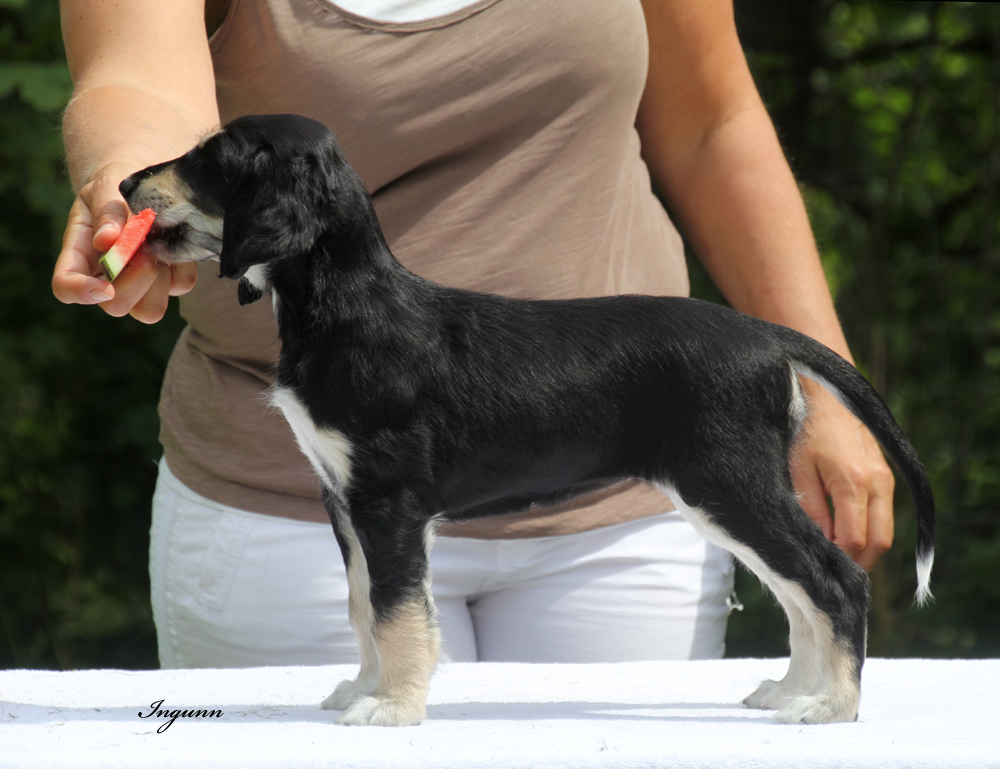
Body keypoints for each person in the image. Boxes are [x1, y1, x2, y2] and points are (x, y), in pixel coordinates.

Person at [53, 0, 894, 669]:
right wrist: (123, 186)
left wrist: (821, 385)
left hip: (623, 508)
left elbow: (713, 119)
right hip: (282, 518)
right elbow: (138, 78)